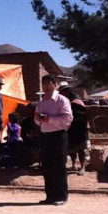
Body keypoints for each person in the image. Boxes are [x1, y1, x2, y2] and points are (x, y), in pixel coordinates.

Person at [35, 75, 73, 206]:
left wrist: (49, 119)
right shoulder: (41, 102)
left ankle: (61, 195)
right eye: (43, 84)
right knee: (47, 166)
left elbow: (67, 119)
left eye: (48, 84)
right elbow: (37, 120)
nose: (45, 87)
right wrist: (37, 118)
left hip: (58, 136)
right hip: (45, 136)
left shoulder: (62, 100)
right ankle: (50, 196)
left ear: (54, 84)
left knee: (59, 166)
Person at [59, 82, 89, 175]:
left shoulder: (76, 102)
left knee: (81, 148)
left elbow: (83, 115)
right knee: (71, 147)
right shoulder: (65, 102)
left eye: (62, 92)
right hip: (70, 128)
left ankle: (82, 167)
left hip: (79, 128)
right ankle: (73, 164)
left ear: (66, 91)